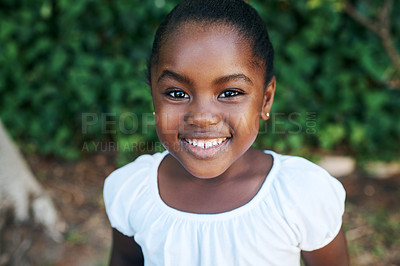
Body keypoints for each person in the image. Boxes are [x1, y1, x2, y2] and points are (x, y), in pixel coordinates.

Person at [103, 0, 349, 265]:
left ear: (265, 100)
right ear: (154, 98)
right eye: (176, 93)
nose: (202, 117)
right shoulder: (132, 191)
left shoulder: (301, 194)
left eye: (230, 93)